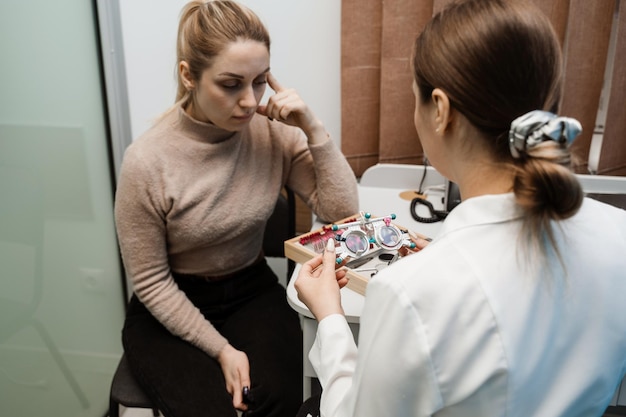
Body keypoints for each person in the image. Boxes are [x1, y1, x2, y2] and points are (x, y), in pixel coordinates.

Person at [294, 0, 626, 416]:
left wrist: (329, 319)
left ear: (441, 110)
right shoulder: (619, 234)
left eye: (414, 99)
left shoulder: (409, 292)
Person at [114, 1, 358, 416]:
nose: (249, 101)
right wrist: (223, 350)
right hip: (171, 301)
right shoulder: (147, 162)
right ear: (189, 75)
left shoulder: (273, 134)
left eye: (260, 81)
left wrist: (314, 130)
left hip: (251, 289)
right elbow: (151, 281)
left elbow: (342, 212)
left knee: (277, 401)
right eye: (231, 84)